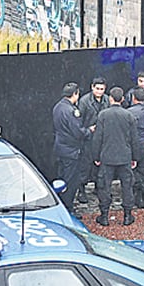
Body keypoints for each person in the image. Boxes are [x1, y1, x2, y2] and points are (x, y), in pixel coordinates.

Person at [91, 86, 139, 227]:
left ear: (110, 98)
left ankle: (104, 216)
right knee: (127, 186)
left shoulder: (103, 115)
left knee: (104, 186)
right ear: (122, 99)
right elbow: (134, 139)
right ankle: (127, 216)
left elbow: (97, 138)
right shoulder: (129, 115)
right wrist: (135, 157)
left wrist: (96, 156)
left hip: (107, 156)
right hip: (124, 156)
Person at [52, 82, 92, 211]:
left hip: (61, 148)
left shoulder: (57, 107)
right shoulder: (72, 111)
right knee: (71, 182)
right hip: (72, 151)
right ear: (75, 94)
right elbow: (78, 132)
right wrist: (89, 131)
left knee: (62, 179)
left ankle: (61, 205)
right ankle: (67, 208)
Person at [76, 76, 109, 204]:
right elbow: (79, 120)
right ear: (92, 87)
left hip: (103, 138)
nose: (99, 91)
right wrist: (88, 129)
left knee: (101, 165)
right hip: (88, 138)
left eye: (102, 89)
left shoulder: (107, 100)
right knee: (85, 165)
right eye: (97, 88)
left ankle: (98, 186)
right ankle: (81, 190)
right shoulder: (84, 101)